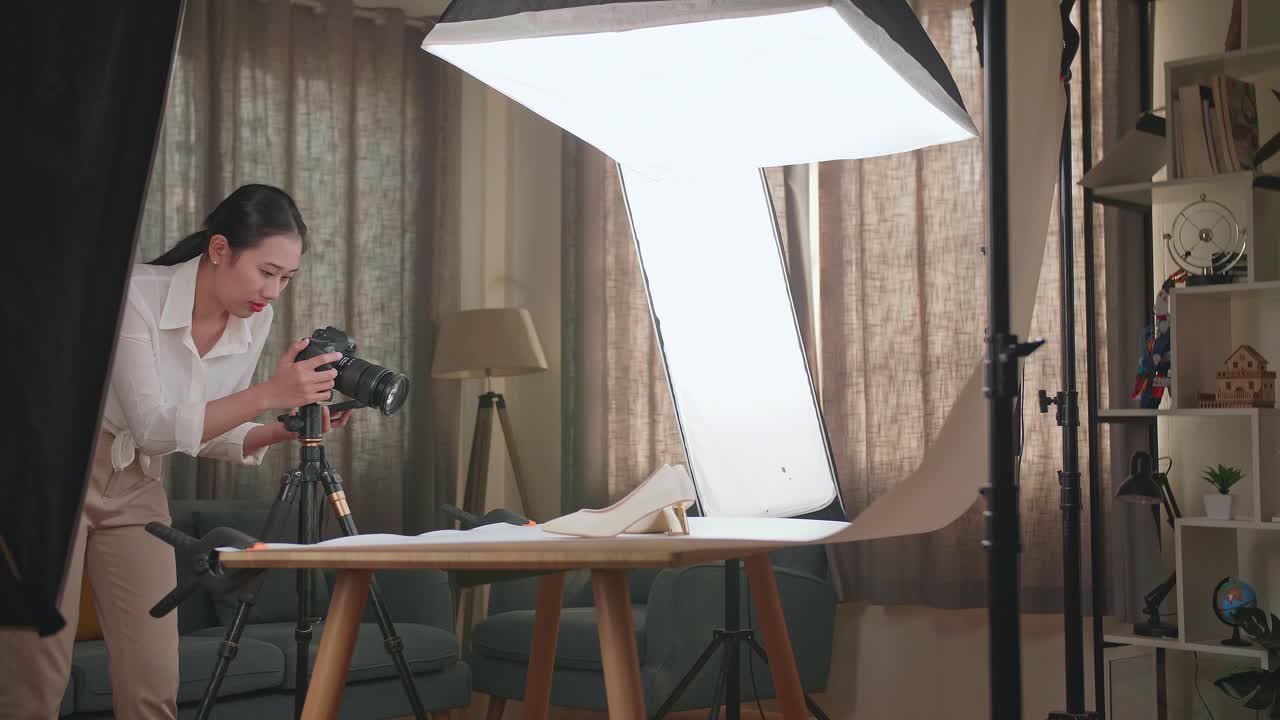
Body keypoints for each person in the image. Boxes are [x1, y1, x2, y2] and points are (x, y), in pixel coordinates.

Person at [0, 184, 356, 719]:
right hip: (54, 476)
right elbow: (154, 426)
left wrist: (279, 428)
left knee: (154, 680)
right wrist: (268, 393)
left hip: (136, 482)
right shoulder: (133, 295)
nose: (274, 291)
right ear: (218, 251)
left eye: (286, 277)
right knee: (36, 679)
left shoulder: (252, 318)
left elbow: (203, 428)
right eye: (266, 271)